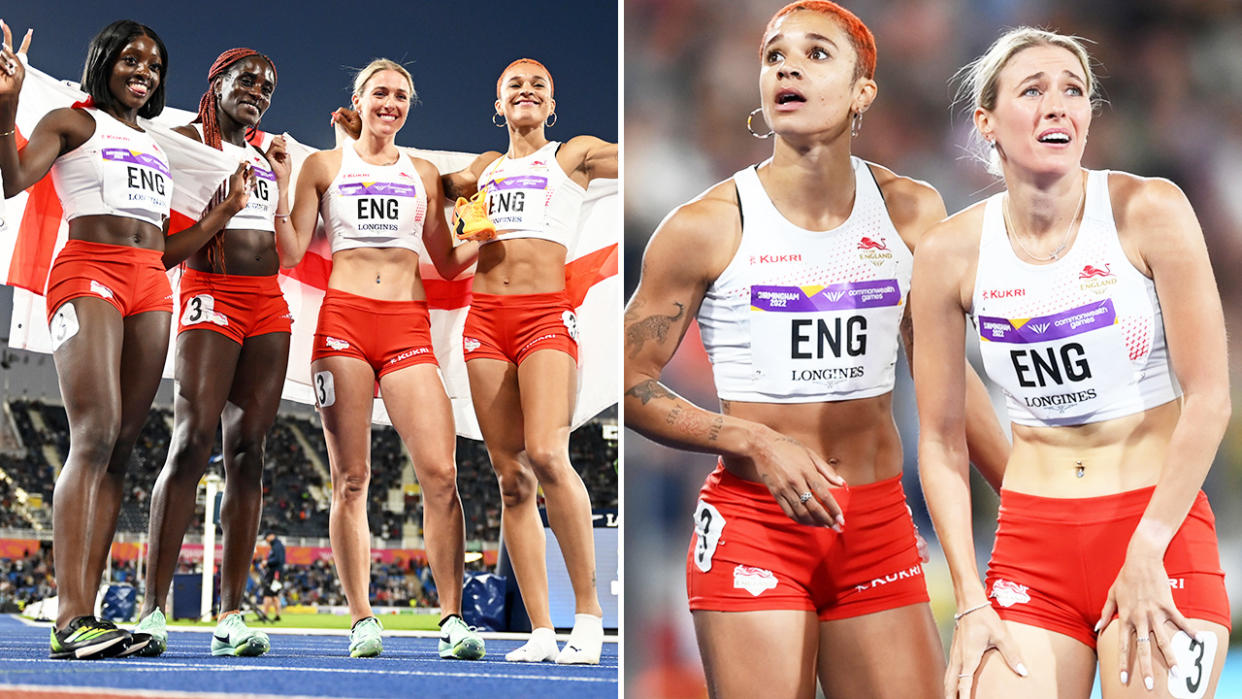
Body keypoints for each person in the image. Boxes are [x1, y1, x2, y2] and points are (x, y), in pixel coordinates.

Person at [623, 3, 1009, 696]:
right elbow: (625, 381)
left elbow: (946, 381)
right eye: (774, 55)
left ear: (864, 91)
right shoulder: (705, 227)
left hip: (877, 525)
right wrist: (750, 437)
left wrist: (1025, 504)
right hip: (755, 528)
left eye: (816, 53)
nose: (788, 66)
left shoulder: (911, 212)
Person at [913, 27, 1230, 699]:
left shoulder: (1150, 211)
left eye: (1074, 90)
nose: (1058, 104)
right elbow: (940, 439)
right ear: (987, 122)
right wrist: (969, 595)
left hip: (1156, 529)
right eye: (1033, 90)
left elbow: (1210, 398)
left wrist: (1147, 547)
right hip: (1032, 542)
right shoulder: (950, 253)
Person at [0, 19, 251, 660]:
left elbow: (162, 249)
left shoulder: (161, 145)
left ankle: (93, 607)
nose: (143, 71)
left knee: (123, 448)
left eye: (155, 64)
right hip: (87, 272)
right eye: (131, 59)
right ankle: (69, 617)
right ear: (105, 61)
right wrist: (6, 106)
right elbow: (13, 179)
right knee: (95, 432)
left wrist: (218, 218)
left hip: (150, 288)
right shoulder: (71, 122)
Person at [285, 58, 483, 660]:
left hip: (406, 327)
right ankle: (363, 619)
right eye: (380, 94)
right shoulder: (323, 166)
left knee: (442, 477)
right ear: (359, 100)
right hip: (343, 323)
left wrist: (493, 224)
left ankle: (451, 619)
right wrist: (273, 188)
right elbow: (292, 250)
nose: (390, 103)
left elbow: (448, 263)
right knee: (351, 479)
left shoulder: (422, 172)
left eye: (400, 96)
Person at [448, 57, 616, 665]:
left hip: (546, 316)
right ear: (498, 106)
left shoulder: (573, 155)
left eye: (537, 85)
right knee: (511, 478)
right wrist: (348, 139)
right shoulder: (483, 171)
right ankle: (542, 630)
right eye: (513, 85)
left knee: (547, 453)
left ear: (551, 105)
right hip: (485, 323)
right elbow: (425, 192)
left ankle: (590, 618)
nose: (525, 91)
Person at [134, 47, 292, 658]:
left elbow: (290, 240)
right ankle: (152, 610)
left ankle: (231, 613)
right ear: (216, 81)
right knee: (192, 440)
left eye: (268, 85)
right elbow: (157, 242)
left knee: (248, 453)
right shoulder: (179, 143)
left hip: (269, 304)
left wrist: (279, 177)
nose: (258, 90)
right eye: (246, 79)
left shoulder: (264, 156)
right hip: (210, 293)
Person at [261, 532, 285, 622]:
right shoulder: (277, 545)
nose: (266, 540)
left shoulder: (277, 546)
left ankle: (264, 615)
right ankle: (278, 615)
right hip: (278, 573)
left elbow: (278, 559)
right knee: (275, 595)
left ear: (271, 536)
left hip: (275, 573)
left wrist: (267, 562)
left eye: (266, 538)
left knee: (268, 594)